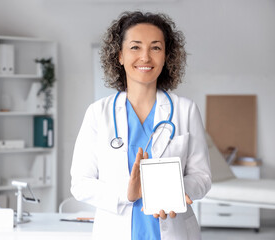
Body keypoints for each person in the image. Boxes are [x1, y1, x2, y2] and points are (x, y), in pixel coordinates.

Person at [70, 11, 211, 240]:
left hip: (173, 230)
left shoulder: (186, 110)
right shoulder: (98, 113)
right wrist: (128, 194)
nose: (145, 57)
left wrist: (175, 191)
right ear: (119, 56)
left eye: (156, 48)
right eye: (135, 47)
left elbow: (202, 176)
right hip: (114, 232)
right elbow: (80, 183)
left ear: (166, 56)